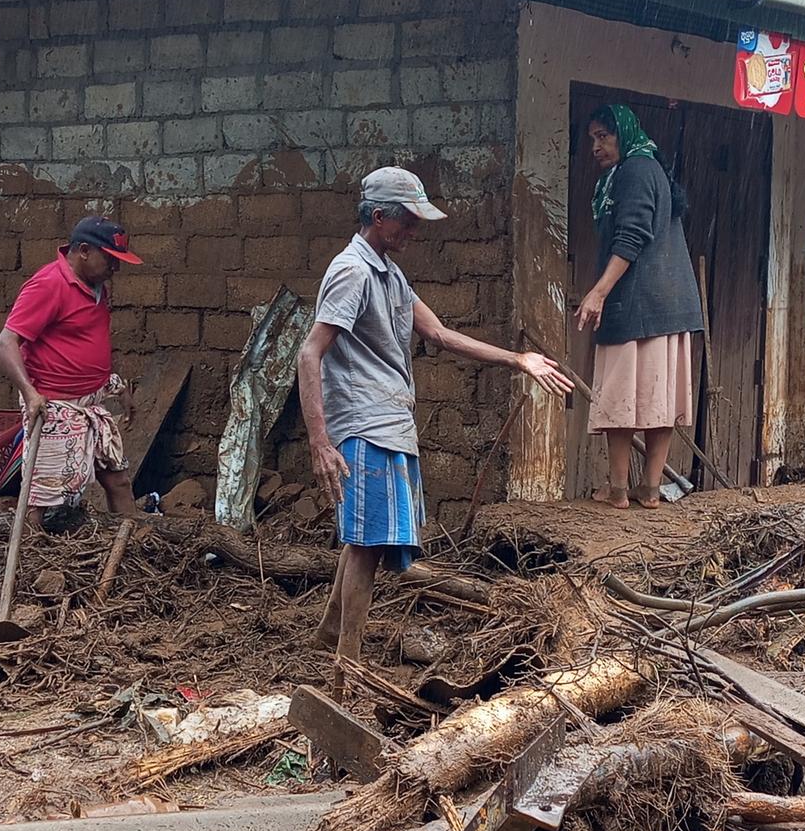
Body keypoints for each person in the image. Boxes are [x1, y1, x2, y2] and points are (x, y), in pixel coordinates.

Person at [298, 166, 572, 692]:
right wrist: (319, 441)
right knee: (367, 544)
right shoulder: (352, 271)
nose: (414, 232)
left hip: (390, 422)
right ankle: (347, 666)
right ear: (379, 218)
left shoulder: (389, 272)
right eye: (407, 221)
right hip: (364, 423)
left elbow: (440, 334)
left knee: (367, 540)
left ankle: (329, 635)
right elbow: (311, 354)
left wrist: (517, 360)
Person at [574, 103, 702, 509]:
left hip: (637, 304)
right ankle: (648, 489)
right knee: (657, 399)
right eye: (593, 138)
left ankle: (616, 489)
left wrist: (599, 292)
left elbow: (631, 236)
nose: (596, 146)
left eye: (604, 137)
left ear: (624, 135)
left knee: (620, 397)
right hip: (667, 303)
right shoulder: (648, 170)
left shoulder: (633, 172)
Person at [0, 216, 142, 526]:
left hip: (91, 402)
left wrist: (115, 387)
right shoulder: (49, 284)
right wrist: (30, 394)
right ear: (84, 250)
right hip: (53, 406)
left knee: (119, 480)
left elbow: (89, 341)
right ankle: (31, 560)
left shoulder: (96, 286)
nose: (116, 269)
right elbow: (5, 343)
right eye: (110, 260)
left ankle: (131, 544)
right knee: (42, 497)